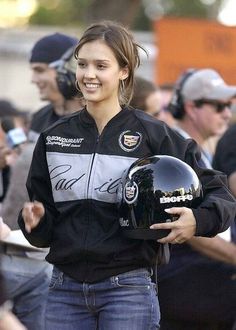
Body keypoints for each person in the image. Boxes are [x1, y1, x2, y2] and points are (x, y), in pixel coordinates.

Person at [17, 21, 236, 330]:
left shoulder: (154, 135)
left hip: (128, 290)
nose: (88, 74)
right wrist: (35, 222)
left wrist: (197, 221)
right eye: (82, 64)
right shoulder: (53, 137)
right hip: (63, 289)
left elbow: (219, 192)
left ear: (124, 71)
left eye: (100, 65)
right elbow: (42, 225)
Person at [157, 68, 236, 330]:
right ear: (192, 108)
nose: (227, 113)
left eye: (229, 106)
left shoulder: (199, 151)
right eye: (219, 106)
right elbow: (190, 230)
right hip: (182, 279)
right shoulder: (177, 153)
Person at [28, 32, 82, 141]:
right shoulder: (39, 117)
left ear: (67, 70)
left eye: (40, 70)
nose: (33, 80)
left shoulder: (96, 121)